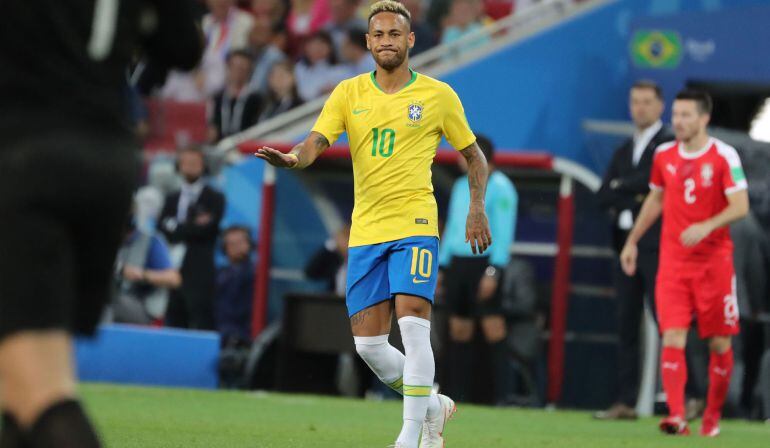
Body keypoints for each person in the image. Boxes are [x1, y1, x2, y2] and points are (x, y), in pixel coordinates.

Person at [255, 2, 492, 447]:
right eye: (378, 34)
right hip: (366, 230)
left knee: (414, 320)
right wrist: (294, 158)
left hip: (416, 222)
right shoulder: (348, 93)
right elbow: (316, 141)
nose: (386, 41)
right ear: (368, 42)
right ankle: (434, 407)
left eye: (394, 34)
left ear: (410, 40)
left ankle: (408, 436)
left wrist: (476, 207)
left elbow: (473, 156)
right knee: (369, 347)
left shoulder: (438, 95)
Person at [0, 1, 201, 447]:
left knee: (43, 395)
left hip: (25, 160)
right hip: (108, 163)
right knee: (18, 397)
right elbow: (183, 46)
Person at [620, 90, 750, 436]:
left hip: (714, 264)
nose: (678, 122)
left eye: (686, 115)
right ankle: (676, 416)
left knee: (719, 343)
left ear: (704, 118)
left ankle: (711, 417)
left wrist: (706, 225)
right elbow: (656, 198)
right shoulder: (664, 155)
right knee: (672, 334)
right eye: (676, 115)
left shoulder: (724, 155)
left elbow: (740, 205)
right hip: (674, 264)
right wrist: (632, 240)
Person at [594, 80, 674, 420]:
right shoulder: (625, 149)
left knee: (668, 320)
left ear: (660, 106)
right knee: (626, 323)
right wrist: (634, 191)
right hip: (625, 247)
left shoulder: (667, 144)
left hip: (658, 247)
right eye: (635, 102)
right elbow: (603, 195)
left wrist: (623, 187)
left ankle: (681, 397)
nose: (640, 107)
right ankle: (627, 401)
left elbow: (652, 185)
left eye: (646, 102)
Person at [438, 134, 517, 404]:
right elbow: (451, 228)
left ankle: (502, 397)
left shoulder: (502, 187)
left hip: (484, 264)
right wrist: (441, 265)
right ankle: (456, 395)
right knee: (459, 328)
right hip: (459, 264)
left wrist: (494, 270)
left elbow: (504, 233)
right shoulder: (461, 186)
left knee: (493, 327)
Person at [158, 147, 225, 330]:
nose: (190, 167)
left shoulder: (214, 198)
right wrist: (190, 226)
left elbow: (206, 229)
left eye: (195, 163)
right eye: (185, 163)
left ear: (203, 166)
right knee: (174, 318)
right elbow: (161, 226)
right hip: (172, 267)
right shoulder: (172, 198)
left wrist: (177, 226)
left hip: (199, 269)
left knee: (201, 318)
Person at [114, 211, 182, 325]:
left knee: (112, 304)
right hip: (120, 299)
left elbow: (174, 279)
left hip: (145, 307)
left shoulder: (150, 241)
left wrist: (142, 275)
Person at [209, 50, 263, 143]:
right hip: (220, 146)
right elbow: (212, 127)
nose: (237, 72)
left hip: (245, 147)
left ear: (249, 70)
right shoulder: (218, 97)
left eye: (242, 69)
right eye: (234, 67)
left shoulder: (256, 99)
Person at [216, 226, 255, 346]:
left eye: (240, 242)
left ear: (249, 245)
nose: (236, 247)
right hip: (219, 332)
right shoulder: (220, 273)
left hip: (241, 335)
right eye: (231, 243)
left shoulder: (253, 273)